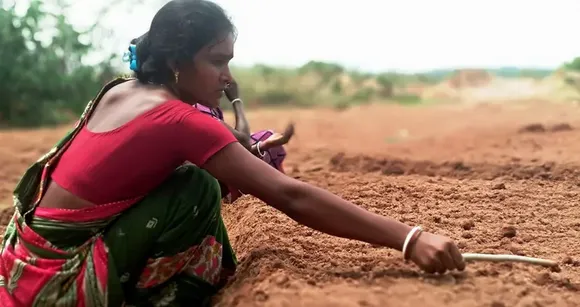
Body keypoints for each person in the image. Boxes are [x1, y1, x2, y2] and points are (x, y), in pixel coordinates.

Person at [0, 0, 465, 306]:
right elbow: (291, 196)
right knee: (200, 188)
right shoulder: (180, 121)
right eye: (217, 60)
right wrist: (410, 238)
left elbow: (147, 163)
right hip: (57, 284)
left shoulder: (123, 90)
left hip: (25, 261)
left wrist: (228, 148)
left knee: (195, 179)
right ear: (179, 61)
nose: (227, 76)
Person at [190, 80, 294, 202]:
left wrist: (265, 145)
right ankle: (280, 193)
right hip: (200, 183)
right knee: (257, 144)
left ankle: (284, 189)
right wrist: (236, 100)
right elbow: (243, 142)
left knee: (266, 138)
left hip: (209, 170)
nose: (227, 77)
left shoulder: (202, 105)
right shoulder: (198, 110)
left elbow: (232, 146)